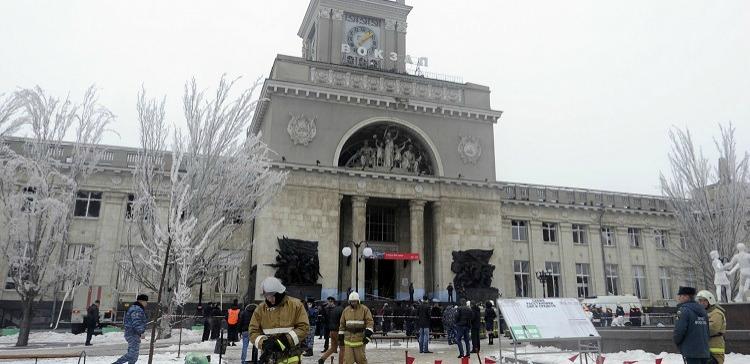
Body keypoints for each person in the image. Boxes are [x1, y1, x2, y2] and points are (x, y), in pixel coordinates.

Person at [249, 277, 310, 364]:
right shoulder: (260, 309)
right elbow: (253, 332)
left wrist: (284, 341)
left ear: (279, 293)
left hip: (291, 357)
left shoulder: (296, 305)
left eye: (272, 296)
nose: (269, 299)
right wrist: (264, 343)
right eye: (266, 296)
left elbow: (303, 328)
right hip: (269, 358)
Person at [673, 286, 710, 364]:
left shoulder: (684, 310)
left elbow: (679, 330)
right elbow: (707, 330)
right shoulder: (703, 310)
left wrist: (677, 342)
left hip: (691, 351)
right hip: (704, 350)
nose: (679, 298)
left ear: (686, 297)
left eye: (680, 296)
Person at [338, 292, 374, 364]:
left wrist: (368, 335)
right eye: (351, 301)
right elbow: (342, 324)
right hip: (348, 339)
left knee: (361, 361)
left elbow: (369, 322)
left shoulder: (364, 309)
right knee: (348, 361)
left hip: (360, 340)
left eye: (355, 301)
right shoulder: (346, 310)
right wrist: (341, 336)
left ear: (358, 301)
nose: (353, 303)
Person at [113, 294, 149, 364]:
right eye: (146, 301)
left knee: (134, 356)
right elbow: (136, 322)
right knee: (132, 354)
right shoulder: (137, 309)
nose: (146, 303)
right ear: (141, 301)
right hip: (132, 334)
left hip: (133, 334)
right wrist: (141, 332)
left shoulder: (136, 308)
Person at [696, 290, 726, 364]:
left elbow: (712, 329)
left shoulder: (716, 313)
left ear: (710, 301)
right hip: (705, 348)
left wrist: (696, 330)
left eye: (704, 301)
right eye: (700, 301)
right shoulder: (702, 313)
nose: (701, 303)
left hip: (714, 348)